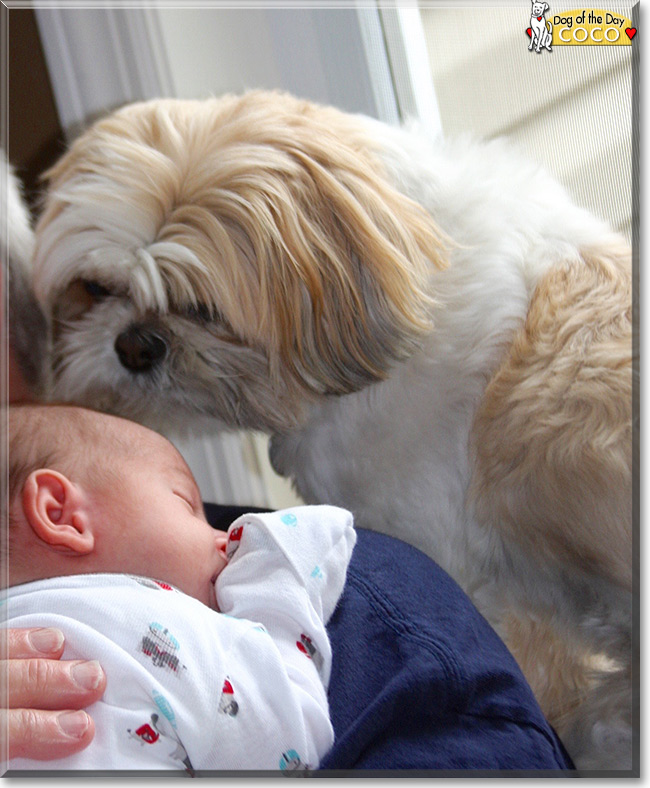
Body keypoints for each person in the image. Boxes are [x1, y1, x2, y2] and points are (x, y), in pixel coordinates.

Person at [5, 403, 356, 772]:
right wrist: (279, 574)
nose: (223, 539)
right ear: (61, 513)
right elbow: (285, 738)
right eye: (187, 504)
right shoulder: (156, 624)